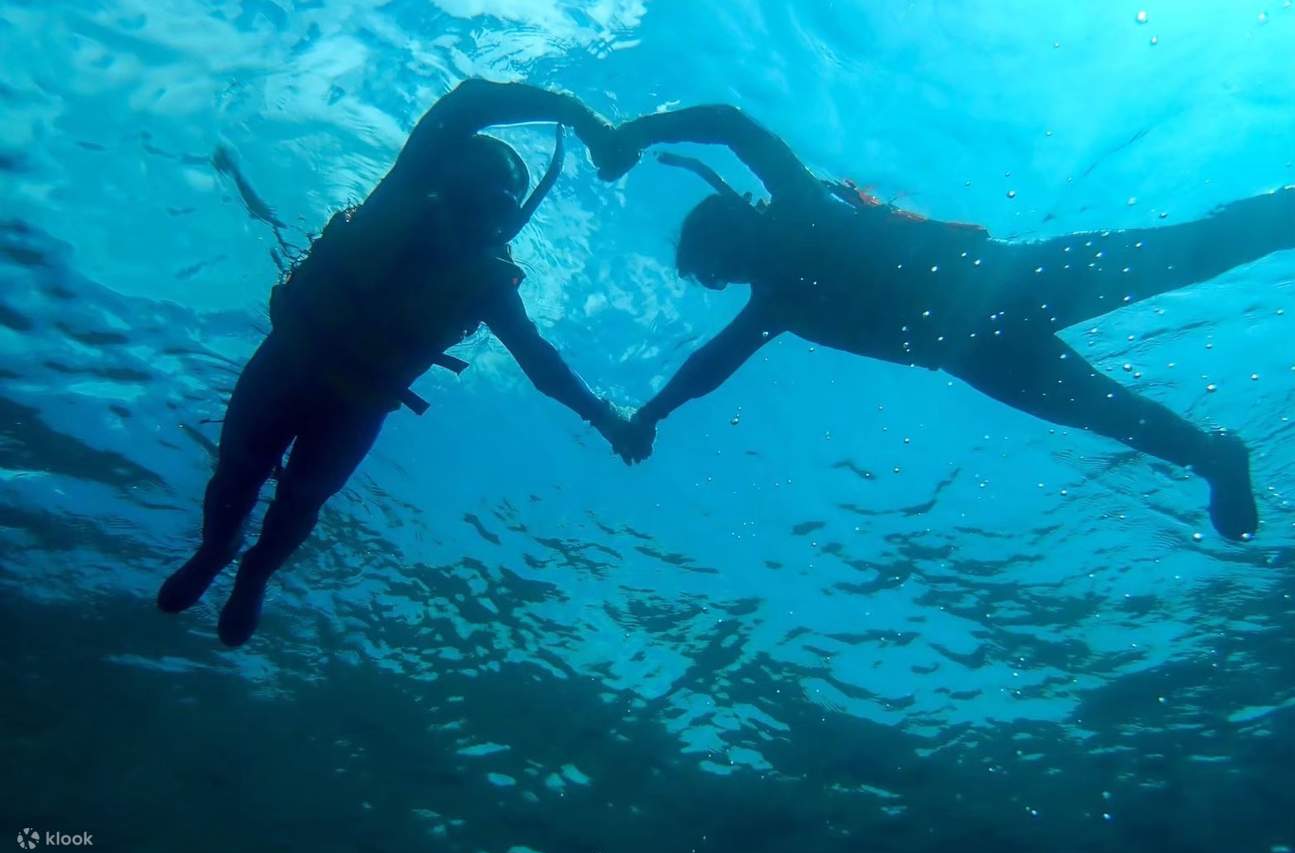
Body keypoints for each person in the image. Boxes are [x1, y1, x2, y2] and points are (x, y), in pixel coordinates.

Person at [600, 104, 1289, 540]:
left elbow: (731, 125)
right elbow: (708, 366)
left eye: (722, 259)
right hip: (979, 353)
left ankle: (1280, 215)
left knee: (1188, 253)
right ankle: (1215, 457)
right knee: (1114, 416)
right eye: (720, 274)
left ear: (739, 222)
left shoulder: (800, 207)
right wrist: (650, 415)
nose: (733, 273)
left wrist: (635, 130)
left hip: (1010, 282)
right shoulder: (777, 304)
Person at [158, 79, 635, 646]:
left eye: (493, 202)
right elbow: (469, 102)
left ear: (509, 219)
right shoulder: (405, 191)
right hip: (294, 365)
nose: (473, 210)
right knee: (239, 470)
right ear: (445, 174)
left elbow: (540, 362)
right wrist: (575, 112)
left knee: (300, 500)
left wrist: (604, 418)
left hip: (349, 403)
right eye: (470, 188)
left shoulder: (486, 281)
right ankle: (218, 549)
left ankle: (255, 572)